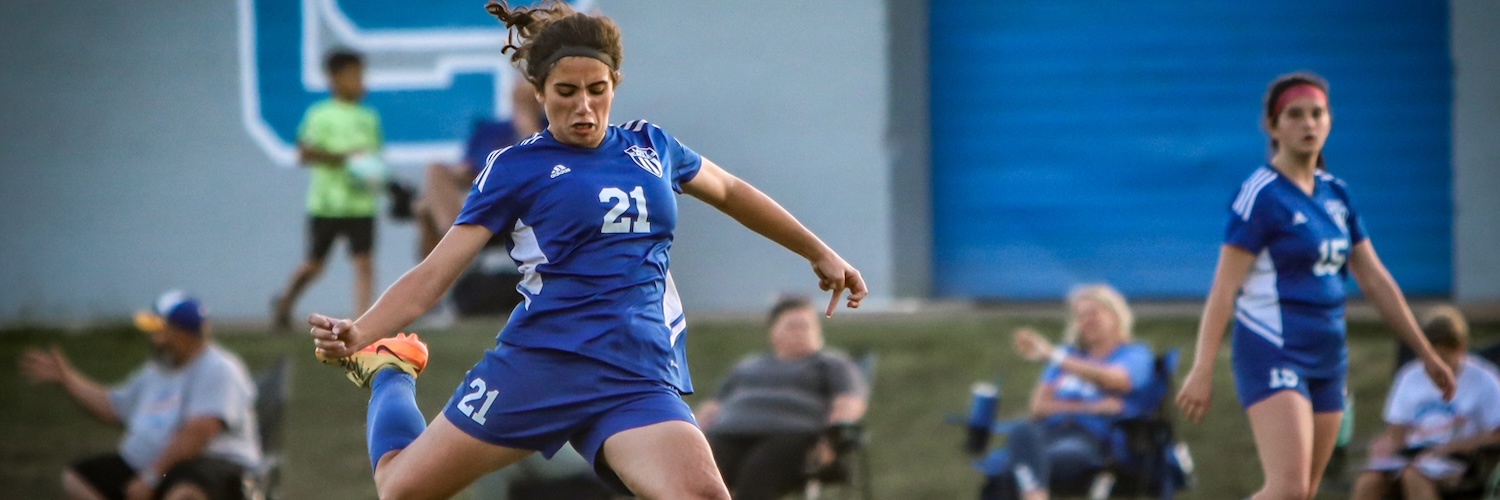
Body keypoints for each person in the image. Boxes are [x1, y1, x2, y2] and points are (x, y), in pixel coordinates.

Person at [303, 2, 868, 499]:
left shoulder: (652, 146)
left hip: (636, 374)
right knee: (401, 489)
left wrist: (817, 251)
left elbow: (733, 192)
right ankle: (392, 370)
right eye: (566, 93)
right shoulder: (515, 166)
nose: (583, 108)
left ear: (614, 84)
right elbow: (435, 274)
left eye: (597, 91)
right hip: (540, 365)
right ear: (540, 92)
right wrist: (362, 330)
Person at [1173, 71, 1458, 500]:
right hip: (1272, 349)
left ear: (1329, 121)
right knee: (1286, 489)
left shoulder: (1336, 194)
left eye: (1317, 114)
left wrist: (1425, 352)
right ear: (1272, 126)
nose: (1308, 124)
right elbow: (1223, 288)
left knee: (1302, 493)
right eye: (1294, 115)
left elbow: (1376, 280)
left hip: (1328, 356)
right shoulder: (1261, 195)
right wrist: (1201, 367)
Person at [19, 291, 261, 500]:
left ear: (182, 332)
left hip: (212, 464)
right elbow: (113, 407)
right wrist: (68, 379)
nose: (152, 337)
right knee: (78, 478)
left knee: (185, 493)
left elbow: (197, 434)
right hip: (155, 466)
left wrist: (152, 478)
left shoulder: (219, 369)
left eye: (158, 330)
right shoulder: (156, 371)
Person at [977, 284, 1155, 500]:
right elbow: (1037, 408)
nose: (1087, 320)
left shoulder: (1134, 354)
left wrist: (1055, 356)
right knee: (1023, 431)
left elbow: (1116, 379)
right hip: (1046, 433)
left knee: (1010, 473)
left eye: (1093, 312)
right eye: (1080, 316)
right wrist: (1093, 406)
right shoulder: (1067, 355)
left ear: (1115, 313)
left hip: (1092, 439)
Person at [694, 295, 869, 500]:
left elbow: (848, 402)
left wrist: (831, 439)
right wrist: (692, 433)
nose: (801, 332)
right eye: (792, 326)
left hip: (792, 435)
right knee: (700, 477)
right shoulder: (748, 366)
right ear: (773, 332)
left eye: (807, 326)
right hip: (729, 432)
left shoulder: (831, 364)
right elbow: (713, 406)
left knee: (757, 477)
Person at [272, 47, 384, 330]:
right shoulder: (320, 115)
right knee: (314, 265)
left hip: (361, 204)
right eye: (353, 76)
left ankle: (362, 323)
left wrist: (375, 175)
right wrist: (344, 158)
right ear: (333, 79)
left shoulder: (369, 117)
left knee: (364, 263)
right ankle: (285, 301)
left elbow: (374, 158)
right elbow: (304, 153)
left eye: (361, 75)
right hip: (327, 204)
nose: (360, 81)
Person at [1351, 305, 1500, 500]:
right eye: (1429, 357)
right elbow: (1396, 431)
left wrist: (1457, 446)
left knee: (1413, 476)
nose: (1436, 366)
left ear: (1461, 348)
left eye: (1444, 358)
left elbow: (1496, 435)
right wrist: (1387, 447)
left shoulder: (1484, 380)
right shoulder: (1409, 376)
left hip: (1461, 463)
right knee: (1369, 480)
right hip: (1413, 456)